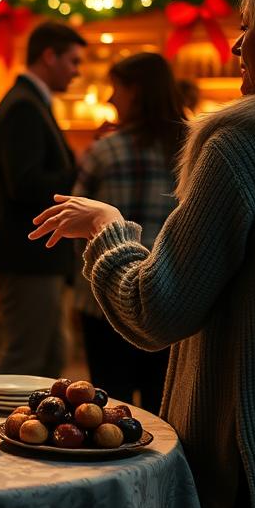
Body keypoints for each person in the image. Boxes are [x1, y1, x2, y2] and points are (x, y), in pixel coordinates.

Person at [29, 0, 255, 508]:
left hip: (247, 459)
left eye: (251, 26)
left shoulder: (240, 142)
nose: (236, 43)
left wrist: (106, 228)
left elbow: (157, 308)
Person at [72, 52, 185, 414]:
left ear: (134, 91)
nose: (109, 99)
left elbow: (74, 223)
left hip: (103, 301)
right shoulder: (195, 149)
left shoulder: (104, 152)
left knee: (107, 410)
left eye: (115, 89)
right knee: (162, 411)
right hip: (170, 298)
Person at [0, 22, 84, 376]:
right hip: (26, 254)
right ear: (48, 56)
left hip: (36, 255)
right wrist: (78, 168)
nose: (77, 71)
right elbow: (24, 184)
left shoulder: (30, 101)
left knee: (51, 358)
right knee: (23, 359)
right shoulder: (23, 106)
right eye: (72, 61)